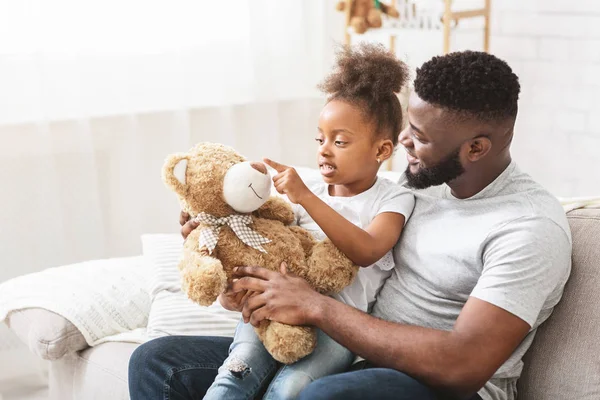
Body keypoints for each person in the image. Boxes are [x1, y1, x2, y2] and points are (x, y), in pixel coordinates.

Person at [128, 50, 572, 400]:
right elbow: (310, 231)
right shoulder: (421, 183)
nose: (403, 143)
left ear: (476, 148)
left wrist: (317, 307)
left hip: (433, 385)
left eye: (420, 136)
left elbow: (463, 366)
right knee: (155, 362)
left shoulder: (527, 228)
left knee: (325, 395)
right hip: (342, 349)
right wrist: (229, 257)